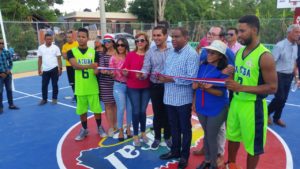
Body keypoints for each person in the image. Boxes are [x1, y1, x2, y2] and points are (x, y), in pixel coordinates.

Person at [225, 15, 277, 169]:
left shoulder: (265, 56)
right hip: (236, 103)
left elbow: (272, 87)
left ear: (254, 30)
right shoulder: (239, 53)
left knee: (253, 146)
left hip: (253, 107)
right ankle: (231, 164)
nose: (238, 34)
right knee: (232, 136)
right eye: (238, 31)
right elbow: (242, 78)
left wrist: (240, 88)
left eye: (242, 31)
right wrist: (232, 73)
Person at [193, 26, 235, 167]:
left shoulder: (224, 71)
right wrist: (195, 97)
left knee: (211, 136)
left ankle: (213, 163)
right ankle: (207, 160)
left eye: (213, 52)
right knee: (207, 135)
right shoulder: (203, 66)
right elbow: (196, 85)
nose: (209, 54)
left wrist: (206, 88)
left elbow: (220, 93)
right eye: (208, 51)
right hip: (201, 106)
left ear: (220, 56)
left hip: (217, 108)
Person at [158, 27, 199, 169]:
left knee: (185, 129)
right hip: (169, 98)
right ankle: (175, 151)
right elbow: (166, 70)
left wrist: (171, 80)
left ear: (186, 37)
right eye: (172, 37)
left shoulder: (192, 54)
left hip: (183, 100)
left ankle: (184, 156)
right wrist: (161, 75)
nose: (173, 40)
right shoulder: (171, 52)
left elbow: (192, 78)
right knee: (173, 127)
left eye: (177, 37)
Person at [67, 28, 107, 141]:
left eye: (83, 37)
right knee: (82, 110)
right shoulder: (72, 51)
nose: (81, 38)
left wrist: (97, 70)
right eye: (79, 36)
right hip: (80, 87)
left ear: (87, 38)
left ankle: (99, 127)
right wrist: (91, 66)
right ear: (76, 38)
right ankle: (84, 129)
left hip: (92, 86)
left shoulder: (94, 53)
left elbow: (96, 70)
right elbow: (75, 66)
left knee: (96, 109)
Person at [139, 26, 173, 150]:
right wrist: (142, 75)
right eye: (154, 35)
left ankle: (168, 137)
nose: (156, 38)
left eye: (159, 35)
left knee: (169, 113)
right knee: (157, 113)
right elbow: (146, 68)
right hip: (155, 87)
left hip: (170, 86)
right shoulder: (150, 52)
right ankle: (158, 138)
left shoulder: (173, 50)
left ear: (165, 36)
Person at [268, 24, 300, 127]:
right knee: (280, 98)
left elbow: (294, 62)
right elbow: (271, 63)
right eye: (296, 32)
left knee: (284, 99)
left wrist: (296, 77)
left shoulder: (296, 46)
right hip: (279, 76)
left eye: (299, 32)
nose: (299, 34)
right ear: (289, 33)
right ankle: (266, 113)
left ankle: (276, 118)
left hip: (289, 76)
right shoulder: (280, 46)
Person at [122, 32, 150, 147]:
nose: (139, 43)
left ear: (146, 42)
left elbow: (151, 70)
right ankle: (135, 135)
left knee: (143, 111)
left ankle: (143, 133)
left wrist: (144, 76)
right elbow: (125, 71)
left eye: (142, 40)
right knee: (136, 111)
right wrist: (125, 73)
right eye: (137, 41)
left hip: (146, 87)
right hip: (133, 87)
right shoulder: (130, 55)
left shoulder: (149, 55)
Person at [109, 38, 132, 141]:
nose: (120, 47)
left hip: (131, 86)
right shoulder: (113, 58)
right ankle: (120, 130)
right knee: (121, 108)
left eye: (122, 45)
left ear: (126, 46)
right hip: (119, 86)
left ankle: (128, 128)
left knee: (130, 108)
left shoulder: (130, 57)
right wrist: (111, 73)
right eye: (118, 45)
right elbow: (113, 75)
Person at [98, 33, 117, 137]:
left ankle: (116, 125)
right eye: (104, 42)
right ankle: (110, 127)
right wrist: (109, 72)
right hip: (105, 83)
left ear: (113, 42)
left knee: (116, 104)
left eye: (108, 41)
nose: (106, 43)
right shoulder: (102, 54)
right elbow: (101, 68)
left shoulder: (118, 53)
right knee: (108, 105)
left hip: (117, 83)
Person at [37, 33, 62, 105]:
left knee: (55, 85)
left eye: (50, 39)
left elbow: (59, 58)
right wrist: (39, 69)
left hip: (54, 69)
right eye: (47, 39)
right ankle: (44, 99)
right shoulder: (40, 48)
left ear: (52, 39)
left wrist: (60, 68)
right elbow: (40, 59)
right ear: (44, 39)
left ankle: (54, 98)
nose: (49, 40)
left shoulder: (56, 48)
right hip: (45, 70)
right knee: (44, 85)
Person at [0, 38, 19, 114]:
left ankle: (11, 105)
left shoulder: (6, 52)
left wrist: (8, 70)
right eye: (0, 43)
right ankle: (0, 108)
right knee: (0, 92)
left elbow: (10, 62)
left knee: (9, 90)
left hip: (7, 75)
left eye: (2, 43)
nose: (1, 44)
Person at [62, 31, 79, 103]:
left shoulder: (77, 44)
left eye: (70, 37)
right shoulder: (64, 46)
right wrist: (72, 55)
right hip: (69, 66)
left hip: (76, 65)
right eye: (67, 37)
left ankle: (79, 95)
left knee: (78, 81)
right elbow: (64, 56)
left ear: (73, 37)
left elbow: (78, 54)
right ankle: (75, 95)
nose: (68, 39)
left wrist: (69, 55)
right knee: (72, 82)